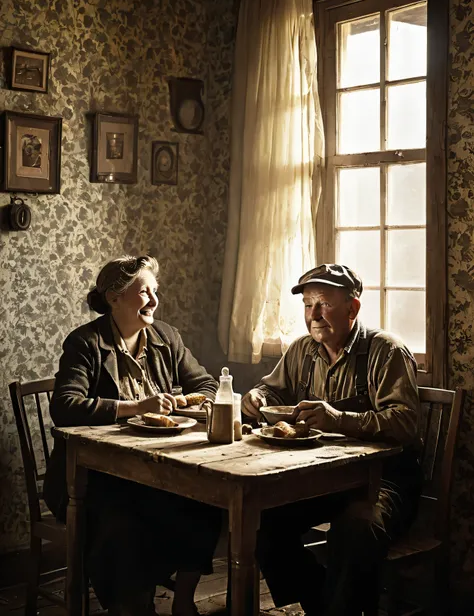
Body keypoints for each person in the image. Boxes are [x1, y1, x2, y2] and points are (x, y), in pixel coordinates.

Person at [43, 255, 221, 616]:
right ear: (114, 298)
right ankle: (132, 607)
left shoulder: (166, 336)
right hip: (93, 479)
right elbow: (65, 405)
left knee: (205, 504)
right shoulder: (85, 343)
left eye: (155, 291)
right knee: (123, 527)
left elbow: (206, 383)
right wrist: (136, 407)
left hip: (154, 472)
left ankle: (184, 600)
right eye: (144, 292)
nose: (154, 301)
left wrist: (192, 401)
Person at [241, 263, 422, 616]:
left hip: (384, 479)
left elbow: (405, 423)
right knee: (262, 524)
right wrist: (258, 397)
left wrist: (339, 419)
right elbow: (271, 389)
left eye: (323, 303)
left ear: (352, 308)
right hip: (323, 479)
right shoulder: (302, 350)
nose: (314, 315)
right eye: (308, 305)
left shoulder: (385, 351)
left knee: (355, 530)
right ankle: (321, 606)